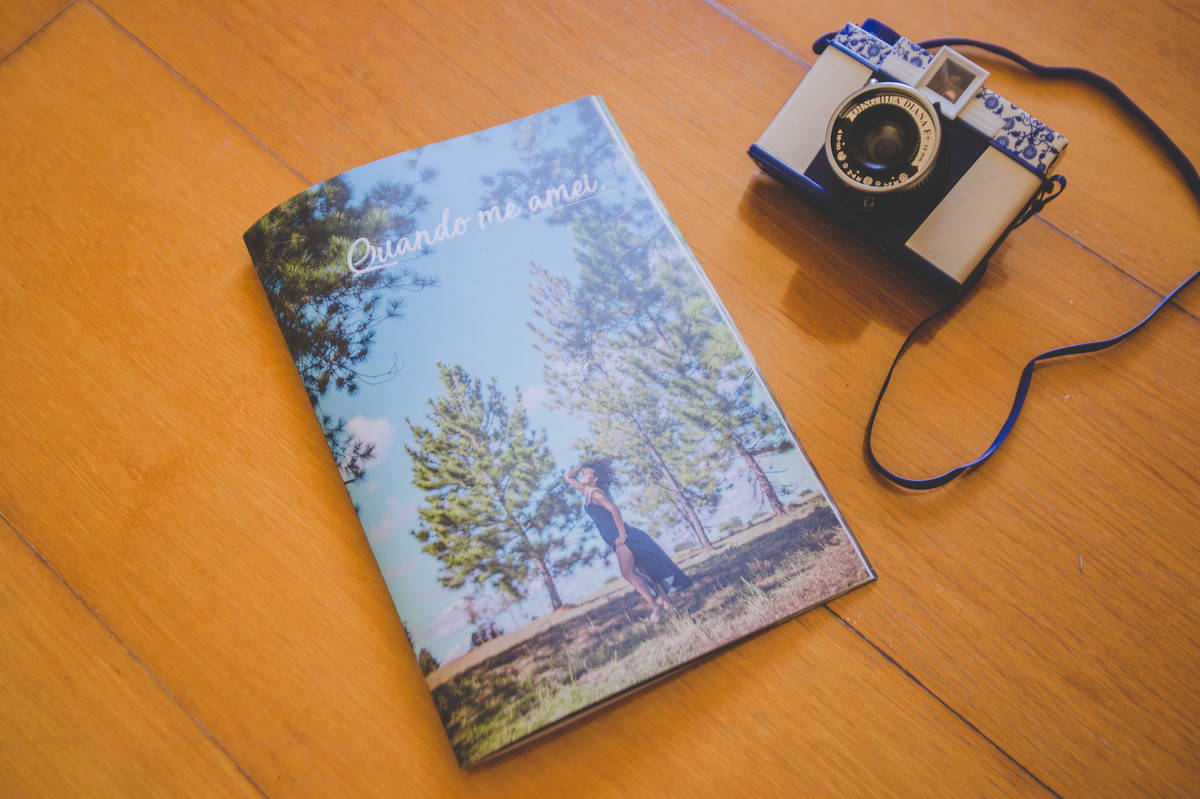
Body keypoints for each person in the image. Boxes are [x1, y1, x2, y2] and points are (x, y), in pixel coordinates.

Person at [565, 458, 692, 623]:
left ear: (595, 479)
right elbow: (568, 477)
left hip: (622, 538)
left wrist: (622, 535)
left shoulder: (595, 493)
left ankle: (656, 607)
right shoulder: (586, 492)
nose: (583, 475)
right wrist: (584, 464)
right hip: (618, 538)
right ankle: (667, 603)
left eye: (587, 473)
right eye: (583, 473)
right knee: (646, 570)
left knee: (627, 573)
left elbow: (614, 510)